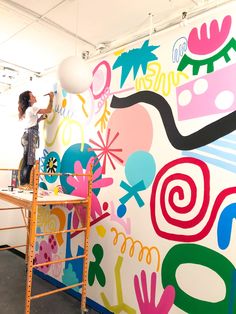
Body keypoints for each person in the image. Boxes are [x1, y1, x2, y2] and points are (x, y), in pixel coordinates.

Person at [18, 91, 54, 188]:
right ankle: (25, 184)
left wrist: (40, 119)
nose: (35, 96)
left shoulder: (28, 110)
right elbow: (49, 110)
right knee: (29, 162)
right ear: (29, 100)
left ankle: (23, 183)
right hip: (30, 135)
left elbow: (32, 122)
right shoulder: (31, 108)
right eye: (32, 96)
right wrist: (51, 98)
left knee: (26, 161)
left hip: (27, 135)